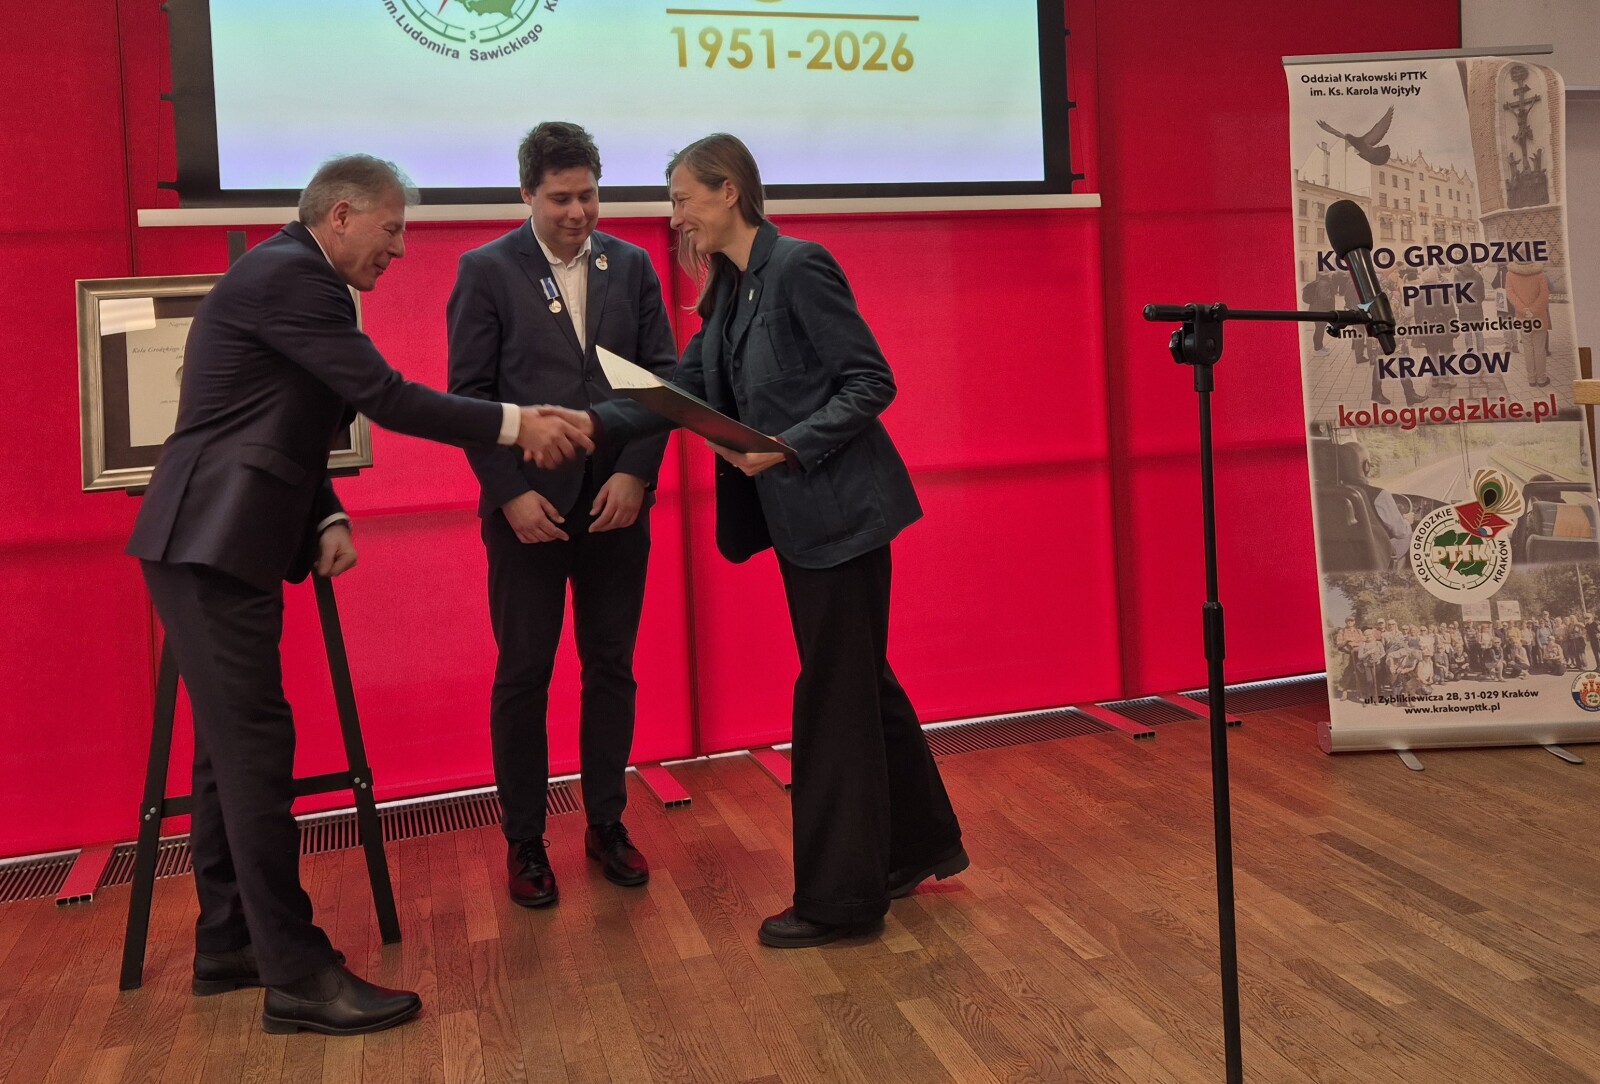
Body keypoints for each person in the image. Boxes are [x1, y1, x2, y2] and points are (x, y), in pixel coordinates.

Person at [126, 154, 592, 1036]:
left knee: (228, 757)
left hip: (216, 539)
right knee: (257, 755)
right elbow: (383, 395)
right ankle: (297, 976)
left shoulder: (293, 278)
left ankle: (229, 941)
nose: (401, 250)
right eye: (392, 229)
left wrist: (325, 510)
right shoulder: (292, 277)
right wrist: (514, 422)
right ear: (340, 215)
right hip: (210, 542)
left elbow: (277, 415)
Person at [568, 133, 965, 948]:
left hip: (846, 521)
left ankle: (841, 902)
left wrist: (787, 447)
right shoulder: (730, 286)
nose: (675, 216)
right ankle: (917, 845)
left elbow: (871, 381)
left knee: (833, 700)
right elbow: (685, 386)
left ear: (729, 191)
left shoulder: (800, 267)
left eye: (683, 199)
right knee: (859, 683)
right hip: (803, 525)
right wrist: (588, 426)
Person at [447, 122, 678, 907]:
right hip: (529, 512)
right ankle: (525, 839)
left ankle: (606, 823)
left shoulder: (632, 265)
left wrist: (638, 475)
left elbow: (662, 381)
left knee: (611, 667)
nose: (578, 212)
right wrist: (508, 492)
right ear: (526, 194)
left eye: (588, 195)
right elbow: (468, 400)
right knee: (524, 674)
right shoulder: (485, 271)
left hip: (617, 506)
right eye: (560, 199)